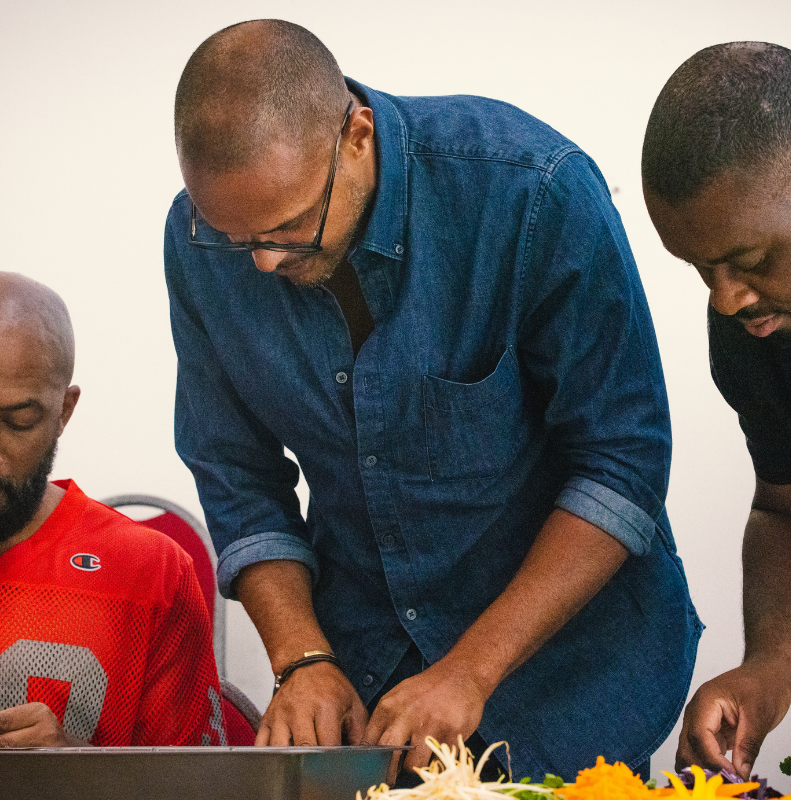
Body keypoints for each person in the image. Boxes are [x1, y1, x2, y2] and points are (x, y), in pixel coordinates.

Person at [166, 19, 701, 779]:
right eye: (236, 236)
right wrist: (301, 657)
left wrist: (471, 669)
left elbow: (623, 462)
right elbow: (234, 471)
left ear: (356, 135)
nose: (263, 260)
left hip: (572, 683)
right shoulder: (197, 239)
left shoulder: (532, 189)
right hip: (370, 683)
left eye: (290, 226)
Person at [0, 271, 227, 747]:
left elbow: (198, 788)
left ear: (63, 412)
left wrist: (81, 772)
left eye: (19, 421)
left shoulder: (149, 572)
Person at [642, 41, 791, 779]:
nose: (727, 298)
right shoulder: (754, 327)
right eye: (702, 269)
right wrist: (766, 673)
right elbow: (784, 509)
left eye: (752, 260)